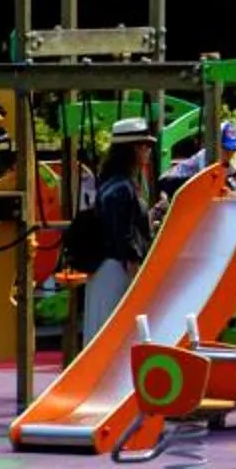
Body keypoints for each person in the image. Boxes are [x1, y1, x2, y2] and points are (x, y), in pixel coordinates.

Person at [83, 117, 159, 329]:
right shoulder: (122, 188)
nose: (148, 151)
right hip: (117, 270)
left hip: (106, 269)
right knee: (115, 333)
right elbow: (123, 235)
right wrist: (135, 275)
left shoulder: (110, 184)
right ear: (132, 150)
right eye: (145, 146)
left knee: (101, 330)